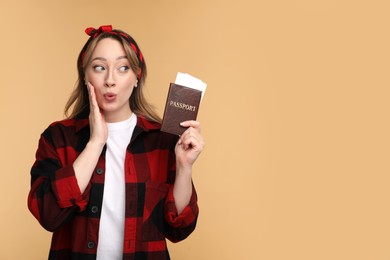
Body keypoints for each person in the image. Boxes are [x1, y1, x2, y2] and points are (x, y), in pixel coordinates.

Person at [27, 25, 204, 260]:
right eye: (99, 68)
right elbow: (48, 214)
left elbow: (179, 227)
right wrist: (95, 142)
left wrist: (184, 167)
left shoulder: (162, 140)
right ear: (85, 75)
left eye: (123, 68)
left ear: (137, 76)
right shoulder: (58, 137)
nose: (110, 80)